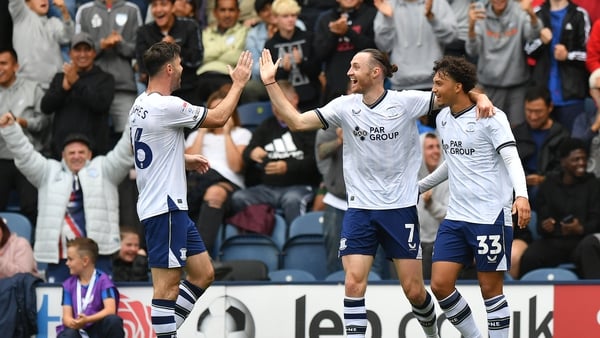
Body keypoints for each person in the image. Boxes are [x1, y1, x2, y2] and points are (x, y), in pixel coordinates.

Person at [258, 47, 494, 338]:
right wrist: (270, 82)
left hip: (400, 209)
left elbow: (454, 94)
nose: (349, 72)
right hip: (359, 210)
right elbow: (296, 121)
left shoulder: (406, 102)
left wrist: (480, 96)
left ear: (376, 72)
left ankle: (433, 334)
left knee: (415, 291)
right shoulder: (344, 106)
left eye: (355, 67)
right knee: (354, 283)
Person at [129, 41, 251, 337]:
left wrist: (182, 159)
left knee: (202, 273)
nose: (183, 69)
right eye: (180, 64)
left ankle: (165, 333)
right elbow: (220, 118)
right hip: (165, 208)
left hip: (171, 207)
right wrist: (237, 84)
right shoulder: (168, 105)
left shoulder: (140, 104)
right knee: (166, 288)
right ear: (169, 68)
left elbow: (148, 153)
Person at [419, 55, 530, 338]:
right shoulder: (443, 118)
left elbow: (512, 159)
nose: (434, 89)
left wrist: (522, 197)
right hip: (456, 217)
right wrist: (419, 186)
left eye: (439, 83)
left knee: (490, 290)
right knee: (440, 285)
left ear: (458, 87)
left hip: (490, 216)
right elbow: (452, 162)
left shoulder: (491, 117)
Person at [0, 113, 133, 283]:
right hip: (61, 257)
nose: (76, 156)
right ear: (63, 155)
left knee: (99, 306)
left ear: (90, 154)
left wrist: (134, 119)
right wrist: (11, 130)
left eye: (81, 152)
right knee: (60, 306)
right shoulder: (47, 171)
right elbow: (25, 156)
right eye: (71, 152)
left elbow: (124, 151)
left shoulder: (105, 169)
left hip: (98, 255)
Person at [231, 80, 321, 226]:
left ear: (295, 100)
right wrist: (252, 153)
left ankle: (295, 246)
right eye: (274, 104)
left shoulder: (309, 124)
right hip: (267, 188)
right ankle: (260, 242)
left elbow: (315, 160)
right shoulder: (266, 126)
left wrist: (287, 167)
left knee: (292, 201)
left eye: (281, 102)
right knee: (238, 198)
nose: (277, 108)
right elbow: (247, 154)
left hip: (299, 186)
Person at [519, 138, 600, 278]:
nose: (581, 163)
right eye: (576, 159)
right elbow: (540, 225)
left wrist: (581, 228)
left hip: (581, 241)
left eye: (584, 159)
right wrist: (546, 226)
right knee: (531, 255)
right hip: (554, 242)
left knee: (590, 247)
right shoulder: (548, 185)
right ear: (563, 161)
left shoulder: (594, 185)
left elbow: (596, 221)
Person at [184, 89, 251, 256]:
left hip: (226, 183)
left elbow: (236, 166)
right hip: (198, 180)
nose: (219, 114)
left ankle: (200, 256)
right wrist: (202, 131)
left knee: (214, 193)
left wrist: (227, 133)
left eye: (223, 109)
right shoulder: (195, 136)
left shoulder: (241, 134)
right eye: (214, 111)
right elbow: (187, 164)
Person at [466, 0, 542, 126]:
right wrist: (471, 26)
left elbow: (533, 35)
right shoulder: (479, 11)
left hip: (517, 84)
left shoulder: (518, 10)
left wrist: (532, 14)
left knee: (517, 129)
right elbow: (472, 51)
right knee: (490, 127)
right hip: (489, 85)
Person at [41, 32, 116, 159]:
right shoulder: (60, 78)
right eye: (77, 50)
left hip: (94, 153)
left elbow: (101, 104)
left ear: (94, 53)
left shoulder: (105, 79)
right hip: (62, 152)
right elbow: (45, 107)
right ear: (70, 53)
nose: (82, 54)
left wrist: (75, 82)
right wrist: (63, 89)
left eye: (87, 50)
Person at [75, 0, 143, 139]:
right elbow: (76, 51)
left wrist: (119, 44)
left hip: (124, 88)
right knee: (89, 137)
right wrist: (101, 45)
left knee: (131, 138)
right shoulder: (85, 10)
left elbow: (140, 50)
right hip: (92, 88)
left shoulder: (132, 10)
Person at [0, 47, 49, 226]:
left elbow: (44, 123)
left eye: (3, 63)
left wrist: (22, 122)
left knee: (32, 206)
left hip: (29, 157)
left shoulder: (32, 89)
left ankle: (34, 247)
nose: (0, 68)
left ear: (16, 66)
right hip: (1, 158)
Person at [525, 0, 591, 133]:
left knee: (571, 145)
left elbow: (590, 55)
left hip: (572, 95)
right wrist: (541, 42)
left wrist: (568, 55)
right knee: (544, 146)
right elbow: (527, 50)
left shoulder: (579, 14)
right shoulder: (537, 13)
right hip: (542, 95)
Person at [373, 0, 457, 91]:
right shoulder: (389, 4)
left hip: (435, 83)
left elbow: (451, 37)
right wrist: (387, 20)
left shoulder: (438, 3)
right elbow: (383, 45)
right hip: (401, 84)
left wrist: (432, 18)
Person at [136, 0, 203, 105]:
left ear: (173, 7)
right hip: (157, 96)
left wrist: (176, 49)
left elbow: (197, 60)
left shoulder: (190, 26)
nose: (158, 9)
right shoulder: (144, 32)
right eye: (154, 5)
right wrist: (161, 51)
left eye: (163, 4)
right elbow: (143, 69)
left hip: (188, 91)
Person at [513, 85, 570, 206]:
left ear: (550, 108)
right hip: (519, 185)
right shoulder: (517, 133)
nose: (533, 117)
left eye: (538, 111)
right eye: (529, 111)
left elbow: (564, 167)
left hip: (550, 186)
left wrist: (543, 179)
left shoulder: (561, 134)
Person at [56, 238, 124, 338]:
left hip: (97, 329)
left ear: (85, 261)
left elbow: (110, 310)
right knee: (68, 334)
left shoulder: (103, 281)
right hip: (77, 330)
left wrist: (87, 320)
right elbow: (66, 318)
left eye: (70, 259)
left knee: (113, 321)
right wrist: (76, 323)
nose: (67, 263)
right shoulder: (68, 285)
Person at [313, 0, 377, 103]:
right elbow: (319, 54)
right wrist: (334, 34)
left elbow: (374, 49)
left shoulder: (372, 14)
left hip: (366, 87)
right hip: (335, 89)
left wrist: (348, 32)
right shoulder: (325, 19)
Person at [264, 0, 321, 111]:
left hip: (311, 97)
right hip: (285, 100)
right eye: (285, 16)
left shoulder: (308, 37)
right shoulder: (270, 44)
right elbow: (271, 79)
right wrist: (284, 70)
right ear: (275, 18)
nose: (290, 19)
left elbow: (317, 71)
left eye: (293, 15)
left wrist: (301, 63)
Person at [9, 0, 73, 89]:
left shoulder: (54, 22)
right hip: (29, 88)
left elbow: (68, 37)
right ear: (27, 3)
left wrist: (64, 12)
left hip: (54, 87)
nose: (43, 0)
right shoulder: (21, 16)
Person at [196, 0, 249, 103]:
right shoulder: (205, 33)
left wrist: (212, 52)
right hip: (202, 76)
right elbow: (202, 56)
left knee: (227, 91)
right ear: (215, 13)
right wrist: (228, 48)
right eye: (222, 10)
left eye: (231, 10)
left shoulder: (245, 32)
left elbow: (237, 57)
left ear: (238, 12)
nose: (227, 15)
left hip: (228, 76)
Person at [416, 132, 448, 280]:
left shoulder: (449, 178)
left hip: (439, 244)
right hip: (413, 243)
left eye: (437, 147)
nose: (436, 151)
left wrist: (431, 203)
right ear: (420, 151)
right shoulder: (410, 176)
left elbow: (450, 215)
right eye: (430, 147)